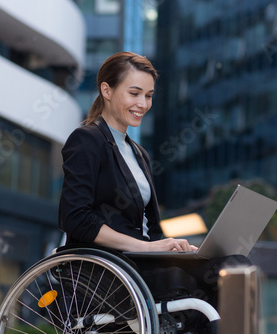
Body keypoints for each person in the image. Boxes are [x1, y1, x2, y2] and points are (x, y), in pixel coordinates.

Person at [58, 52, 249, 332]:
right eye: (134, 93)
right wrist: (147, 247)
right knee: (194, 281)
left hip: (141, 259)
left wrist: (178, 248)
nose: (142, 104)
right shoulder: (87, 140)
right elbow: (74, 218)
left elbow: (152, 230)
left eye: (148, 96)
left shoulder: (139, 154)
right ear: (106, 90)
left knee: (234, 264)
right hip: (104, 269)